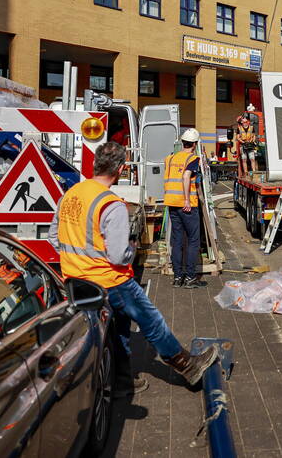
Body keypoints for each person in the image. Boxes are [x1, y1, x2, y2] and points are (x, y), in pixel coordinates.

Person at [49, 141, 217, 397]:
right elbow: (118, 255)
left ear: (96, 164)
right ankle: (188, 366)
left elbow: (53, 237)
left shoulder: (70, 195)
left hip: (76, 280)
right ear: (120, 169)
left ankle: (122, 382)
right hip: (111, 280)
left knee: (117, 331)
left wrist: (82, 256)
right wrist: (131, 246)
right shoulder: (111, 204)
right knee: (152, 322)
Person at [164, 128, 205, 289]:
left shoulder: (170, 158)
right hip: (187, 205)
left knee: (177, 241)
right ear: (194, 144)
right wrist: (187, 200)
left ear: (183, 142)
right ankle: (190, 277)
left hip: (172, 203)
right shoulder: (192, 158)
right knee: (193, 241)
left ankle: (177, 277)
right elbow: (186, 176)